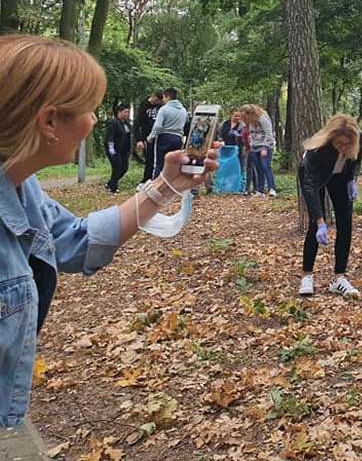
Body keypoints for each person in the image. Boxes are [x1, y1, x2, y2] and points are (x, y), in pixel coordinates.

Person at [0, 34, 218, 428]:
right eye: (89, 108)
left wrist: (168, 184)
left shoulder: (23, 188)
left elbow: (77, 241)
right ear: (50, 121)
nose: (95, 120)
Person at [297, 114, 362, 298]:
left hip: (340, 177)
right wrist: (320, 221)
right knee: (315, 225)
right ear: (331, 138)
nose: (342, 147)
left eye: (346, 144)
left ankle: (339, 278)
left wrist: (352, 180)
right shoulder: (317, 150)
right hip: (314, 177)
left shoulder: (358, 139)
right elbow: (310, 187)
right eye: (338, 143)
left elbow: (356, 160)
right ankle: (307, 276)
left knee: (345, 223)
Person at [146, 88, 187, 178]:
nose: (163, 100)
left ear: (167, 97)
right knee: (174, 164)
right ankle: (172, 185)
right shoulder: (183, 110)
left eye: (164, 98)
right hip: (178, 138)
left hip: (164, 137)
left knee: (159, 164)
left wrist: (151, 136)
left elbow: (158, 126)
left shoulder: (164, 109)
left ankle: (156, 185)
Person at [240, 104, 277, 196]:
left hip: (265, 146)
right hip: (254, 147)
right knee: (258, 168)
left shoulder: (263, 119)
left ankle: (272, 188)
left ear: (250, 114)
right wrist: (251, 145)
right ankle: (260, 190)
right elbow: (251, 135)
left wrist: (265, 147)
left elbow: (269, 134)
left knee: (265, 166)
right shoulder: (250, 122)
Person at [134, 92, 163, 183]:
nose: (157, 103)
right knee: (149, 158)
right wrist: (139, 140)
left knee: (159, 158)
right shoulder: (143, 106)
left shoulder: (161, 107)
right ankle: (147, 178)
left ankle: (158, 177)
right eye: (157, 101)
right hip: (147, 136)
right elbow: (137, 123)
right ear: (152, 97)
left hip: (159, 136)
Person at [104, 104, 132, 194]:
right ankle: (113, 188)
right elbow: (110, 136)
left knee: (124, 168)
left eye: (128, 112)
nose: (127, 114)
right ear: (119, 112)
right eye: (125, 112)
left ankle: (110, 183)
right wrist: (111, 149)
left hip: (124, 150)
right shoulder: (114, 123)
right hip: (115, 150)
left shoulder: (127, 124)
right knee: (117, 168)